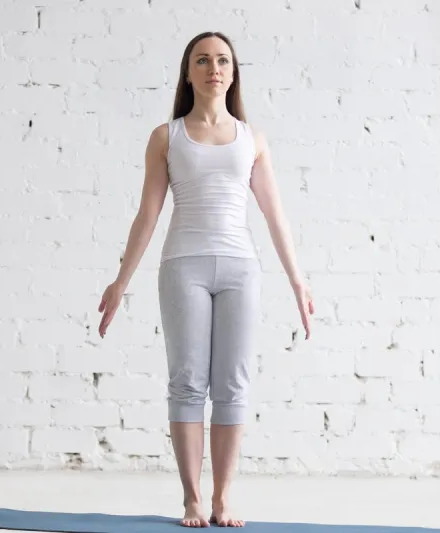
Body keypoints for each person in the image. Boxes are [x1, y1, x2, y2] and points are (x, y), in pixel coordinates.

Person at [97, 31, 314, 528]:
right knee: (188, 382)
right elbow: (147, 215)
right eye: (202, 60)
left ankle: (222, 499)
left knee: (233, 384)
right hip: (184, 267)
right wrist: (120, 282)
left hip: (240, 268)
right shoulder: (166, 137)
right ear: (188, 72)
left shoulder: (252, 138)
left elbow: (275, 214)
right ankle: (193, 499)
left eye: (222, 60)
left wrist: (298, 282)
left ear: (233, 73)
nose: (213, 68)